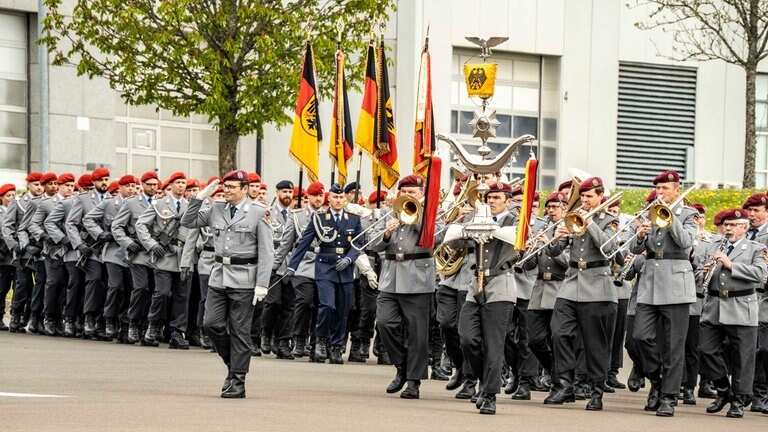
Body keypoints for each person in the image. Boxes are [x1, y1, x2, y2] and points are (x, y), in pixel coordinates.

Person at [181, 171, 273, 398]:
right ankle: (233, 365)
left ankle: (238, 381)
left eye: (232, 187)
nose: (227, 190)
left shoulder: (259, 213)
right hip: (219, 275)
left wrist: (262, 284)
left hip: (245, 278)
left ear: (244, 188)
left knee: (240, 331)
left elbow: (267, 252)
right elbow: (187, 221)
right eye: (225, 186)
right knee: (211, 324)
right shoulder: (216, 208)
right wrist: (200, 197)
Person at [544, 177, 618, 411]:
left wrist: (590, 224)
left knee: (595, 343)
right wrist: (557, 237)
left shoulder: (610, 221)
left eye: (589, 197)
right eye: (583, 196)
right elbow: (556, 250)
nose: (585, 201)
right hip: (571, 282)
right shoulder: (572, 216)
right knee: (559, 333)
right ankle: (565, 384)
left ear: (600, 197)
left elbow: (610, 250)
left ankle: (596, 391)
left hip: (597, 286)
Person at [630, 170, 698, 417]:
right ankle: (657, 380)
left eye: (665, 190)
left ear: (677, 190)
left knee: (673, 346)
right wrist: (640, 235)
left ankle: (668, 397)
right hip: (650, 282)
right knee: (640, 337)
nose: (660, 194)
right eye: (658, 190)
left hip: (676, 283)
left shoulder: (689, 215)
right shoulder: (649, 213)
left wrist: (669, 218)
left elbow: (685, 242)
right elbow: (636, 249)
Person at [371, 175, 444, 399]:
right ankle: (401, 366)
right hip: (390, 277)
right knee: (385, 323)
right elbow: (373, 246)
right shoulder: (388, 213)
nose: (408, 196)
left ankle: (414, 381)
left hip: (418, 279)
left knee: (417, 333)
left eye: (412, 192)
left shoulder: (433, 213)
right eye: (404, 192)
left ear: (421, 193)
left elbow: (438, 237)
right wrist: (386, 233)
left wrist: (417, 217)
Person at [456, 182, 519, 415]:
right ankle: (486, 381)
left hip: (500, 282)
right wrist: (464, 222)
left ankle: (490, 395)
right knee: (467, 337)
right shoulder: (477, 216)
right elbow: (456, 240)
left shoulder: (513, 220)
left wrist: (484, 224)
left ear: (508, 201)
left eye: (496, 197)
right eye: (489, 197)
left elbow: (518, 241)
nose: (490, 201)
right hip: (476, 282)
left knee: (493, 343)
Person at [700, 208, 767, 418]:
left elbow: (761, 274)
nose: (727, 229)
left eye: (733, 225)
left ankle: (738, 400)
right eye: (726, 225)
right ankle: (722, 389)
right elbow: (697, 269)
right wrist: (702, 272)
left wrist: (731, 265)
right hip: (714, 306)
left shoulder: (756, 248)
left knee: (743, 357)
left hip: (741, 306)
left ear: (744, 228)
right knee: (706, 349)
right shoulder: (713, 245)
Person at [285, 183, 363, 364]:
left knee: (344, 310)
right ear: (329, 198)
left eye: (341, 197)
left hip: (345, 268)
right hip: (325, 267)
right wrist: (292, 266)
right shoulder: (319, 218)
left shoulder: (353, 219)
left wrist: (350, 259)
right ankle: (320, 341)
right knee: (327, 305)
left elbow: (359, 243)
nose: (338, 200)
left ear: (345, 199)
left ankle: (336, 346)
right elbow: (303, 243)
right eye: (335, 197)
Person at [135, 171, 191, 348]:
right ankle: (153, 325)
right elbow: (141, 225)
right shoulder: (159, 204)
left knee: (182, 296)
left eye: (184, 182)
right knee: (163, 293)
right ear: (171, 185)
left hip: (184, 256)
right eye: (178, 182)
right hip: (164, 256)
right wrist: (151, 245)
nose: (181, 186)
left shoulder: (191, 206)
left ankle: (177, 332)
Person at [82, 174, 136, 341]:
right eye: (128, 186)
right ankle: (109, 320)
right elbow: (88, 219)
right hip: (113, 252)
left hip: (134, 253)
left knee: (131, 288)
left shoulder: (138, 204)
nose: (131, 189)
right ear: (119, 188)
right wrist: (100, 234)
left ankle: (124, 323)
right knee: (115, 286)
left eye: (133, 186)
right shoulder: (109, 203)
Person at [111, 171, 159, 344]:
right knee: (141, 288)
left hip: (158, 254)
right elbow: (117, 227)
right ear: (143, 185)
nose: (153, 187)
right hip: (138, 253)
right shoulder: (132, 203)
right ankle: (132, 323)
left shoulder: (162, 203)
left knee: (156, 291)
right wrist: (127, 243)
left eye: (155, 184)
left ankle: (148, 326)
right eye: (149, 184)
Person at [27, 173, 76, 336]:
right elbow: (33, 225)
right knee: (52, 284)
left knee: (66, 285)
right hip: (52, 251)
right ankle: (47, 317)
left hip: (70, 250)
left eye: (72, 185)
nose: (69, 188)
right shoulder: (46, 204)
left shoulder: (76, 202)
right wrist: (44, 236)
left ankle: (60, 319)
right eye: (66, 185)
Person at [65, 167, 111, 339]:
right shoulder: (83, 199)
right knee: (91, 280)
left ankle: (100, 320)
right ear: (94, 182)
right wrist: (78, 245)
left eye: (106, 179)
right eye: (101, 180)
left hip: (106, 249)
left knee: (106, 284)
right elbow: (71, 224)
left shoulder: (112, 200)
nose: (104, 183)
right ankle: (85, 318)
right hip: (89, 249)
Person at [0, 184, 17, 331]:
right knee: (2, 288)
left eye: (13, 195)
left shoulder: (17, 211)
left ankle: (15, 318)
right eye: (8, 195)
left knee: (19, 287)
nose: (11, 198)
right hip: (2, 257)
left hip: (16, 257)